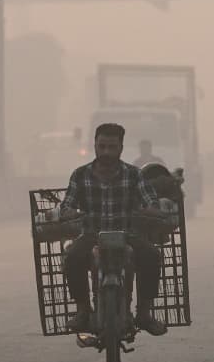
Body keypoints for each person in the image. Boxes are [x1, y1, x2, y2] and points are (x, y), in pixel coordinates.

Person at [59, 123, 168, 336]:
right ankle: (83, 310)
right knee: (71, 257)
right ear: (95, 146)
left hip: (127, 234)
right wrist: (68, 212)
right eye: (102, 146)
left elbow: (150, 201)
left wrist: (153, 210)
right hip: (91, 235)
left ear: (121, 148)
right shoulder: (80, 175)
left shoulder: (134, 174)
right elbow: (67, 205)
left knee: (152, 256)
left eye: (111, 147)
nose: (106, 152)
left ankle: (144, 313)